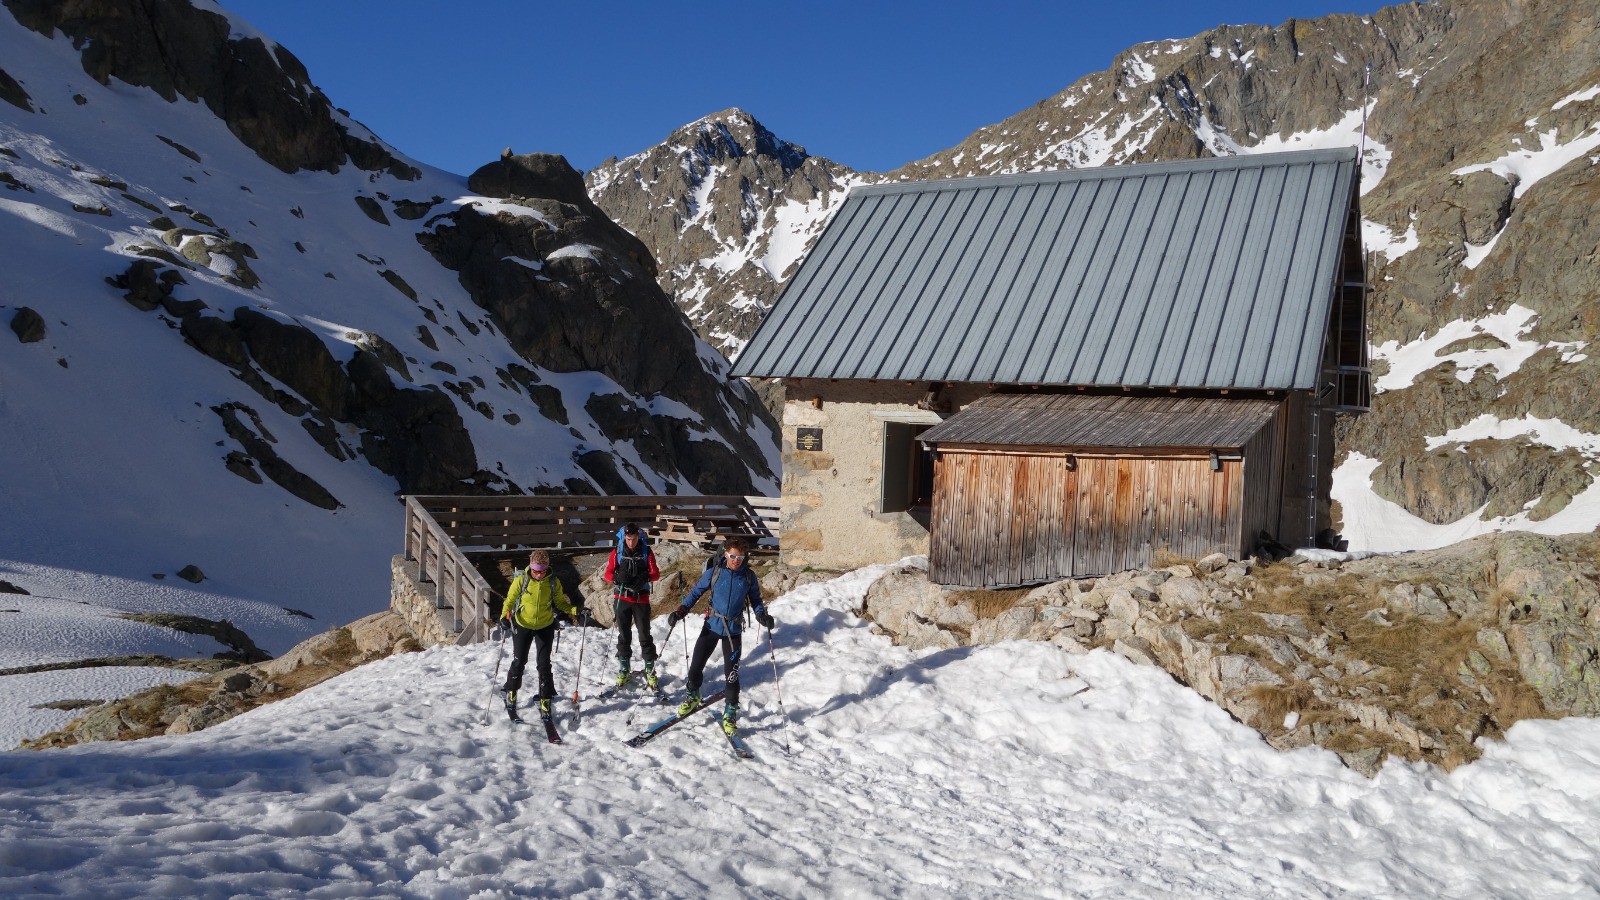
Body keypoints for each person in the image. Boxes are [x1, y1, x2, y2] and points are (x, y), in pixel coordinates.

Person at [667, 536, 774, 735]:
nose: (736, 561)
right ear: (725, 553)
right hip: (711, 627)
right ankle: (693, 696)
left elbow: (757, 600)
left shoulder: (748, 577)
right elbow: (695, 593)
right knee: (695, 668)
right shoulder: (714, 572)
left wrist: (762, 616)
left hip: (732, 632)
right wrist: (681, 611)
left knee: (731, 676)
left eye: (740, 557)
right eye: (732, 556)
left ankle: (730, 712)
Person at [499, 549, 584, 720]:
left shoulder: (552, 581)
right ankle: (511, 692)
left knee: (544, 664)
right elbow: (509, 600)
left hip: (545, 626)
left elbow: (560, 603)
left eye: (543, 571)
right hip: (523, 625)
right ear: (531, 567)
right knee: (519, 660)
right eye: (536, 571)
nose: (539, 574)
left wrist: (575, 609)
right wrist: (504, 617)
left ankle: (545, 699)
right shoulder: (522, 579)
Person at [604, 523, 661, 688]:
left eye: (634, 539)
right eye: (628, 539)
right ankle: (624, 667)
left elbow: (656, 573)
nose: (631, 543)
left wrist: (644, 578)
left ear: (639, 537)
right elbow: (607, 573)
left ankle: (650, 669)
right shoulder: (617, 552)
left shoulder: (646, 551)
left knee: (644, 635)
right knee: (623, 634)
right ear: (624, 538)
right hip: (622, 597)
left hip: (641, 598)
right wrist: (616, 578)